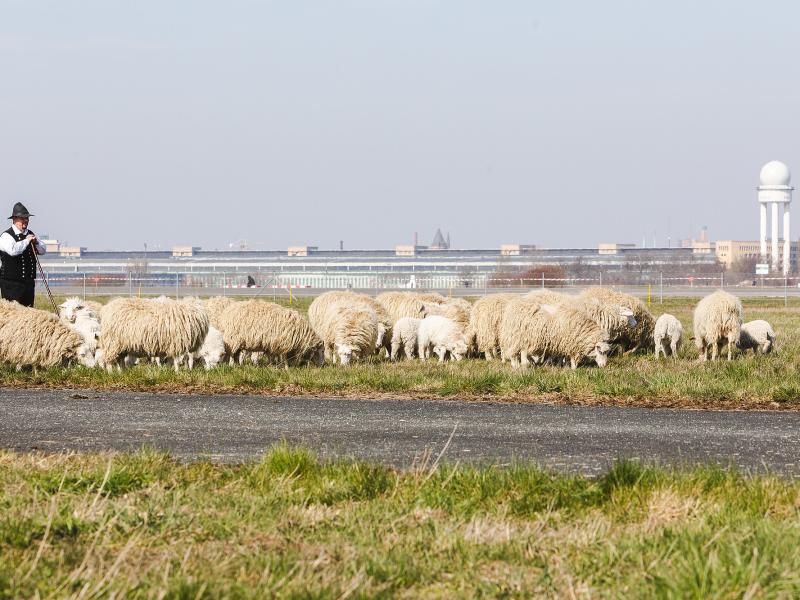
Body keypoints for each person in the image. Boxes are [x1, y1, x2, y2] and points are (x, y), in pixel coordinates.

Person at [0, 202, 47, 307]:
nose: (25, 221)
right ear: (14, 219)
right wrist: (26, 241)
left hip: (28, 284)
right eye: (22, 218)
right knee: (13, 315)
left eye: (27, 218)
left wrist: (36, 243)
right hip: (11, 285)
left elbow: (43, 250)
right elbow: (13, 251)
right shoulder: (6, 236)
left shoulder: (30, 234)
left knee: (29, 313)